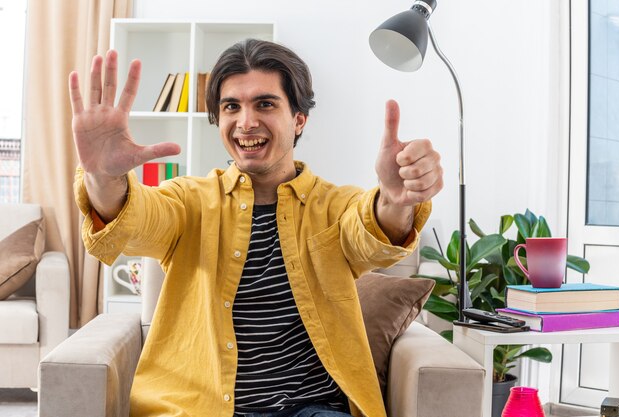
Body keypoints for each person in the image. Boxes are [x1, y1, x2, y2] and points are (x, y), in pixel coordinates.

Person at [70, 39, 443, 417]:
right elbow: (138, 218)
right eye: (231, 106)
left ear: (299, 119)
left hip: (313, 409)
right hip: (202, 408)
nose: (246, 122)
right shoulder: (188, 201)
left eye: (265, 104)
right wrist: (103, 179)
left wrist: (396, 201)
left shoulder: (335, 205)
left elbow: (371, 236)